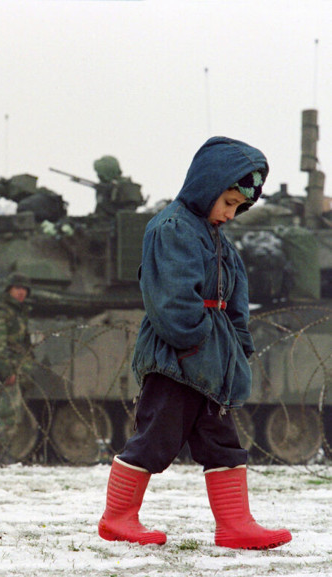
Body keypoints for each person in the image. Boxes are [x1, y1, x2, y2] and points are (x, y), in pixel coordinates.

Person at [97, 137, 292, 550]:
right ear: (207, 184)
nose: (230, 214)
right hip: (176, 358)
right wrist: (194, 340)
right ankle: (118, 518)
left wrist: (237, 344)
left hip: (213, 360)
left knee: (221, 442)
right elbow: (170, 298)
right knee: (156, 437)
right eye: (227, 201)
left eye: (238, 207)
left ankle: (235, 525)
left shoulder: (216, 237)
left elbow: (235, 297)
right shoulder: (171, 228)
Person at [0, 272, 34, 464]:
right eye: (17, 289)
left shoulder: (18, 313)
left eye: (24, 289)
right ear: (9, 290)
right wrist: (7, 372)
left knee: (14, 411)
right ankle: (3, 453)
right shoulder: (1, 313)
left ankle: (7, 452)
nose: (21, 293)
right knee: (7, 412)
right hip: (7, 369)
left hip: (18, 368)